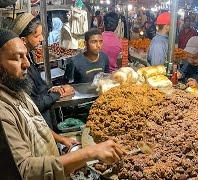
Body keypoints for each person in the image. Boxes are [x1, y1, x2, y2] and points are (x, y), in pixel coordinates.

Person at [0, 28, 125, 179]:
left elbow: (35, 123)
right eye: (16, 58)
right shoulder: (3, 110)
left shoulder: (18, 92)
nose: (26, 64)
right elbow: (25, 169)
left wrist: (61, 139)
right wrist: (90, 152)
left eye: (25, 56)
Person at [12, 13, 75, 130]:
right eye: (37, 35)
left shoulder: (29, 56)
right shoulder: (19, 67)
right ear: (23, 40)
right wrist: (58, 93)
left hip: (44, 118)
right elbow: (32, 104)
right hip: (37, 124)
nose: (42, 38)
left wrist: (50, 89)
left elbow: (37, 87)